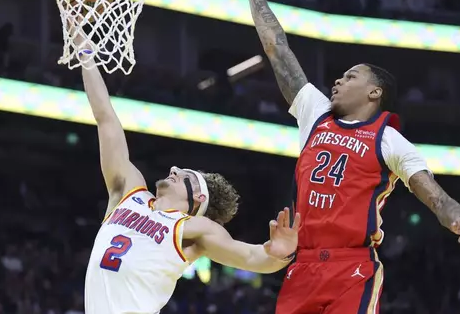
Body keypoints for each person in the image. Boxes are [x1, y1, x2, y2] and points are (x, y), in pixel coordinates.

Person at [241, 0, 460, 314]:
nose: (338, 80)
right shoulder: (315, 112)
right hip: (300, 264)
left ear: (375, 93)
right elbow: (276, 46)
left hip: (351, 266)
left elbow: (431, 192)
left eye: (351, 76)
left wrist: (456, 217)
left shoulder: (389, 140)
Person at [75, 30, 301, 314]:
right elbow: (106, 118)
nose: (173, 169)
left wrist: (280, 254)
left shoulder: (194, 228)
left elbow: (250, 256)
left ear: (197, 200)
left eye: (185, 175)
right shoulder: (129, 193)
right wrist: (85, 54)